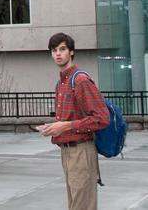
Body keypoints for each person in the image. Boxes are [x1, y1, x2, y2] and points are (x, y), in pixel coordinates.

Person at [37, 32, 110, 210]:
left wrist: (66, 126)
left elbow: (102, 119)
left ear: (71, 52)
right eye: (54, 50)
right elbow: (69, 119)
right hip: (67, 151)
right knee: (76, 204)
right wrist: (54, 128)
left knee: (82, 205)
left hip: (82, 150)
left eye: (62, 49)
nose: (58, 54)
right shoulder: (61, 83)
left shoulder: (80, 80)